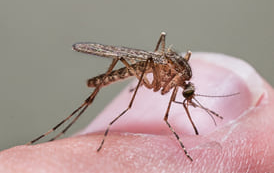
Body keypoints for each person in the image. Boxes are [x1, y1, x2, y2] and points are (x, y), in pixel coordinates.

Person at [0, 53, 273, 172]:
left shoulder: (182, 80)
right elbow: (166, 78)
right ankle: (76, 115)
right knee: (132, 73)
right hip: (141, 67)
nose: (187, 98)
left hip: (157, 69)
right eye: (188, 95)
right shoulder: (175, 77)